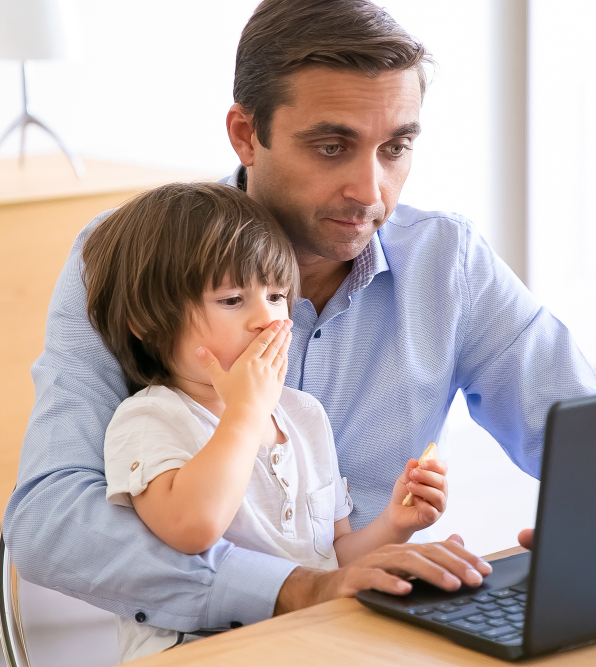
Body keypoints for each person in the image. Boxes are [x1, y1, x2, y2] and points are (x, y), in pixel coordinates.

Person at [3, 0, 596, 639]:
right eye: (331, 146)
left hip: (384, 622)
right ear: (246, 134)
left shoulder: (447, 262)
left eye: (396, 148)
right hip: (212, 641)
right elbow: (50, 524)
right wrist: (300, 589)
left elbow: (594, 435)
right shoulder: (136, 258)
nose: (370, 191)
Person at [82, 182, 451, 661]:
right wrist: (245, 413)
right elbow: (193, 527)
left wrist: (394, 524)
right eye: (232, 300)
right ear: (148, 323)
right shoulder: (149, 418)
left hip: (308, 639)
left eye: (277, 296)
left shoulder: (304, 416)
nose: (266, 319)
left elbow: (332, 560)